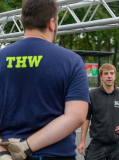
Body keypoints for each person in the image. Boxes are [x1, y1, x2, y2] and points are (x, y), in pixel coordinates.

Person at [0, 0, 90, 160]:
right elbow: (76, 116)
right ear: (52, 23)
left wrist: (2, 151)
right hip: (55, 155)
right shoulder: (72, 61)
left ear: (24, 22)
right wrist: (25, 147)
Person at [78, 63, 119, 160]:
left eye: (111, 73)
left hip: (116, 144)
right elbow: (86, 118)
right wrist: (82, 141)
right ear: (101, 77)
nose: (109, 76)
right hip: (97, 143)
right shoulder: (92, 94)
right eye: (106, 73)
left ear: (114, 76)